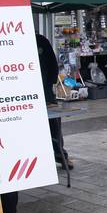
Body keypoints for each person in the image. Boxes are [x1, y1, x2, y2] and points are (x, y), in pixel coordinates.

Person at [36, 33, 72, 170]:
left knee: (54, 126)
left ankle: (61, 156)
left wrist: (50, 85)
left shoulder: (40, 40)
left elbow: (52, 65)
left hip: (45, 93)